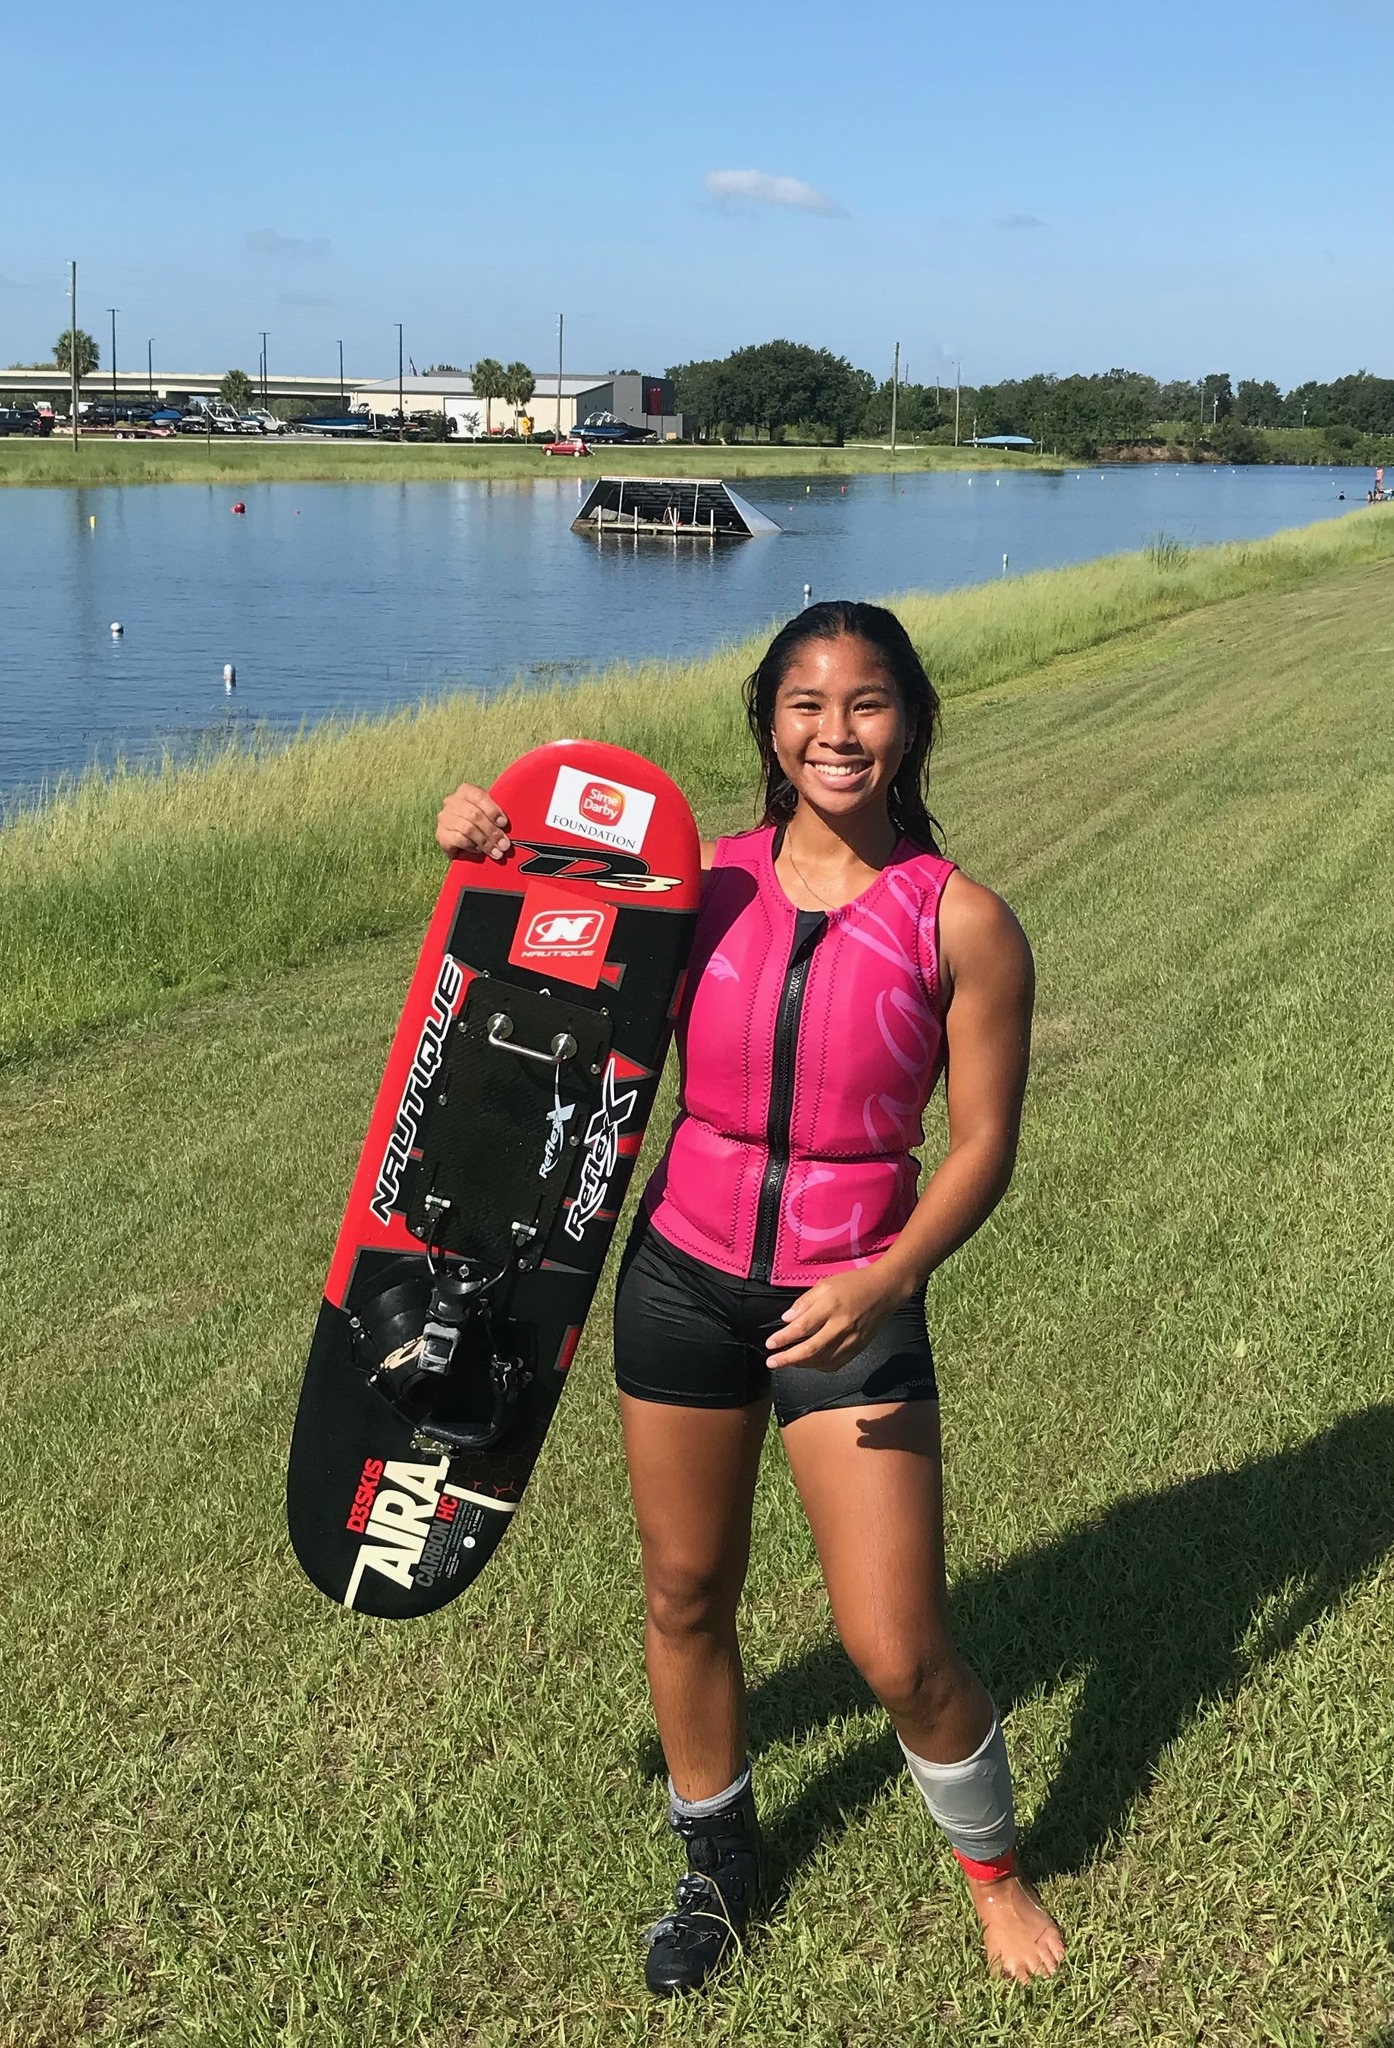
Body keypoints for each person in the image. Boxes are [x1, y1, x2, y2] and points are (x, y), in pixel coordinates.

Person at [436, 599, 1066, 1994]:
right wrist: (491, 847)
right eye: (806, 704)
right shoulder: (701, 885)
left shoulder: (961, 920)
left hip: (851, 1297)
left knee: (896, 1650)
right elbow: (543, 964)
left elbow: (983, 1147)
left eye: (866, 703)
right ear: (768, 727)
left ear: (911, 724)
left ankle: (994, 1874)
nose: (836, 732)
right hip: (680, 1277)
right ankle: (715, 1867)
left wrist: (888, 1275)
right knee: (682, 1591)